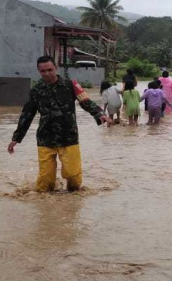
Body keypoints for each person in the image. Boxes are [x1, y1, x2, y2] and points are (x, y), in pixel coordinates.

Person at [8, 56, 112, 192]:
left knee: (73, 178)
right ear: (38, 71)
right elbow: (27, 114)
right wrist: (16, 138)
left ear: (56, 68)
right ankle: (46, 207)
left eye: (50, 70)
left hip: (68, 137)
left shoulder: (71, 85)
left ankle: (71, 205)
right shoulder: (36, 91)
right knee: (45, 182)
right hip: (45, 138)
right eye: (43, 71)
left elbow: (86, 101)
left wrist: (99, 114)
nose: (47, 74)